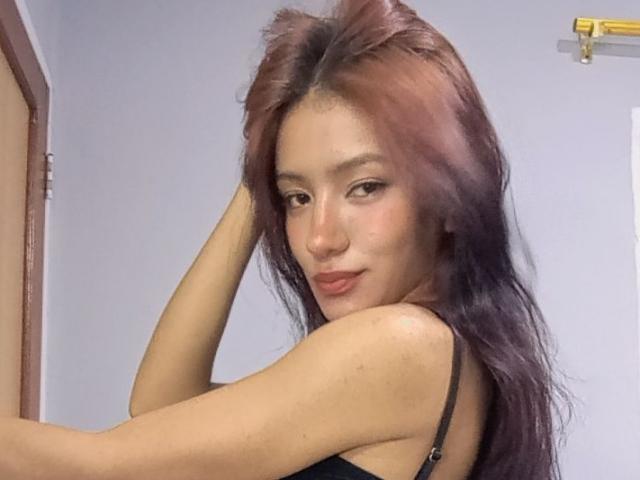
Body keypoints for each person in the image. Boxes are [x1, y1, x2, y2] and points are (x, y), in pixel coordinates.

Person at [0, 0, 572, 479]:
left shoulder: (400, 345)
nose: (319, 239)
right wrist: (263, 174)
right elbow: (161, 401)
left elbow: (100, 466)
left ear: (448, 199)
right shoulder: (447, 353)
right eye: (297, 198)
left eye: (365, 187)